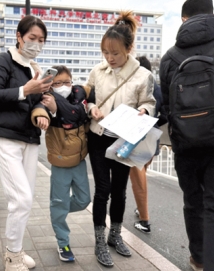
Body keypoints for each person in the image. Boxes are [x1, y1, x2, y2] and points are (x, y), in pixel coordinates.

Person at [85, 11, 156, 268]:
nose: (110, 58)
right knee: (102, 189)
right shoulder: (98, 71)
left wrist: (144, 111)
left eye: (115, 52)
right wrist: (91, 108)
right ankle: (99, 241)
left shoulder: (143, 76)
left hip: (125, 141)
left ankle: (115, 235)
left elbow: (150, 102)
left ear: (129, 48)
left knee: (120, 191)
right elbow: (87, 97)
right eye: (105, 52)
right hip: (99, 137)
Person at [0, 15, 52, 271]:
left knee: (26, 199)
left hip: (30, 139)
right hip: (6, 137)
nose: (36, 44)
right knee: (20, 199)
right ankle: (12, 257)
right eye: (32, 38)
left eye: (41, 40)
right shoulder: (3, 60)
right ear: (19, 36)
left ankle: (18, 250)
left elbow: (34, 105)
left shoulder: (34, 68)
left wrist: (44, 107)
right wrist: (26, 90)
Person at [160, 0, 214, 270]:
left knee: (193, 202)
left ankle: (198, 259)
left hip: (185, 143)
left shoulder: (170, 57)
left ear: (184, 19)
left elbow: (166, 107)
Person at [31, 65, 91, 262]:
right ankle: (63, 242)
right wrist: (41, 114)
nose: (63, 86)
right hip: (59, 163)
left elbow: (82, 109)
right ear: (50, 84)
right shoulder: (46, 99)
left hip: (79, 160)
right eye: (57, 83)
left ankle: (57, 210)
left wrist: (57, 103)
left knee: (83, 201)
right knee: (59, 204)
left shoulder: (78, 96)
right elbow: (40, 107)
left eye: (66, 82)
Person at [130, 56, 167, 234]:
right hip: (153, 137)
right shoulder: (157, 89)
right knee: (142, 175)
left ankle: (144, 220)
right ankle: (141, 209)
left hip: (138, 138)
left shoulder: (139, 89)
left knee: (138, 179)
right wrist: (154, 123)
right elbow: (166, 113)